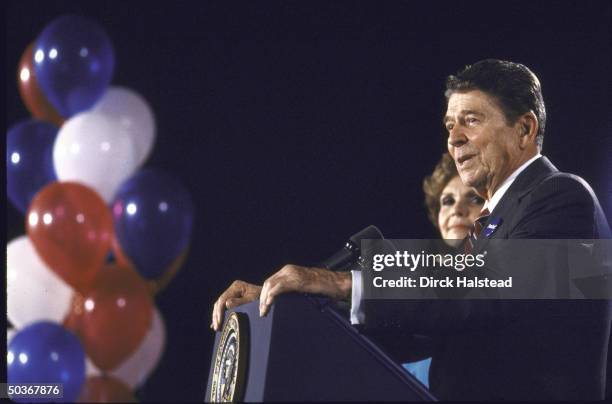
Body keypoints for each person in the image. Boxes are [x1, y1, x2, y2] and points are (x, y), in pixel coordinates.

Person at [211, 59, 611, 400]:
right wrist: (295, 304)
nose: (454, 138)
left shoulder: (563, 197)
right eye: (450, 124)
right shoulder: (495, 222)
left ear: (524, 129)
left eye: (471, 120)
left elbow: (482, 291)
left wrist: (341, 282)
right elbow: (426, 332)